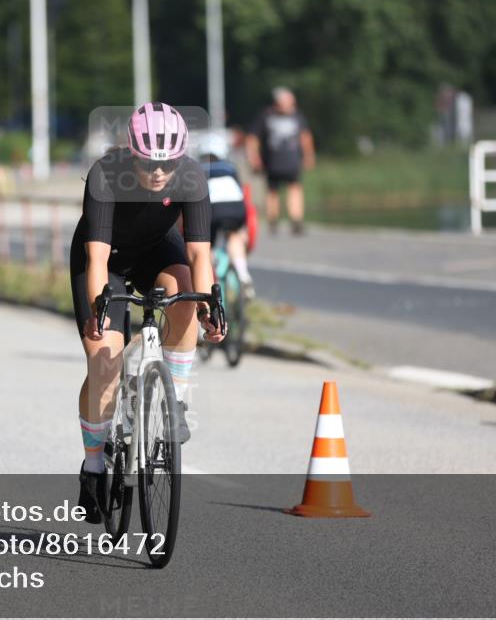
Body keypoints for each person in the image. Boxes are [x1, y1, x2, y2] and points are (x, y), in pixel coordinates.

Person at [70, 102, 226, 522]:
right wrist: (101, 309)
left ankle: (174, 398)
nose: (159, 172)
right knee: (105, 363)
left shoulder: (192, 176)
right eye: (149, 162)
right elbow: (99, 258)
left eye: (168, 163)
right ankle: (93, 465)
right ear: (131, 152)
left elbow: (198, 252)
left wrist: (212, 300)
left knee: (187, 297)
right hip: (106, 259)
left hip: (157, 250)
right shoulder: (106, 173)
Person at [246, 87, 315, 235]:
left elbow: (305, 136)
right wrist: (254, 157)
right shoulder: (266, 115)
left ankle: (296, 221)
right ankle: (273, 221)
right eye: (287, 102)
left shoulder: (297, 115)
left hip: (292, 161)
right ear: (278, 102)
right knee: (272, 191)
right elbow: (253, 137)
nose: (290, 105)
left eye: (291, 102)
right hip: (272, 161)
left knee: (295, 189)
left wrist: (309, 155)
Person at [197, 131, 255, 294]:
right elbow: (241, 192)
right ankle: (243, 274)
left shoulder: (197, 169)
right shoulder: (230, 168)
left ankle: (208, 278)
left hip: (212, 208)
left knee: (204, 245)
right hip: (236, 206)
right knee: (234, 236)